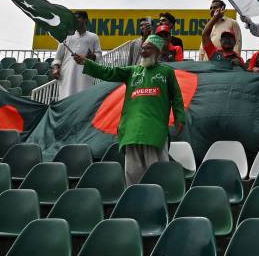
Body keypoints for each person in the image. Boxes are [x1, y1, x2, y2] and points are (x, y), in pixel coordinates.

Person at [74, 36, 185, 185]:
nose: (143, 51)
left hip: (155, 130)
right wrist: (87, 62)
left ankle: (160, 203)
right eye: (143, 48)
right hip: (131, 130)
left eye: (148, 48)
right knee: (133, 176)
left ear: (158, 51)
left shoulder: (167, 72)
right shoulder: (132, 71)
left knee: (158, 175)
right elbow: (108, 71)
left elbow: (177, 97)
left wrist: (179, 118)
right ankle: (135, 204)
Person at [51, 11, 102, 99]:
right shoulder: (66, 36)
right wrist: (56, 69)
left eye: (78, 18)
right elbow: (58, 57)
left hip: (85, 76)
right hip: (67, 75)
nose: (75, 20)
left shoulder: (93, 37)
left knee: (83, 101)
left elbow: (98, 56)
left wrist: (92, 56)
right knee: (66, 100)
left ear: (85, 20)